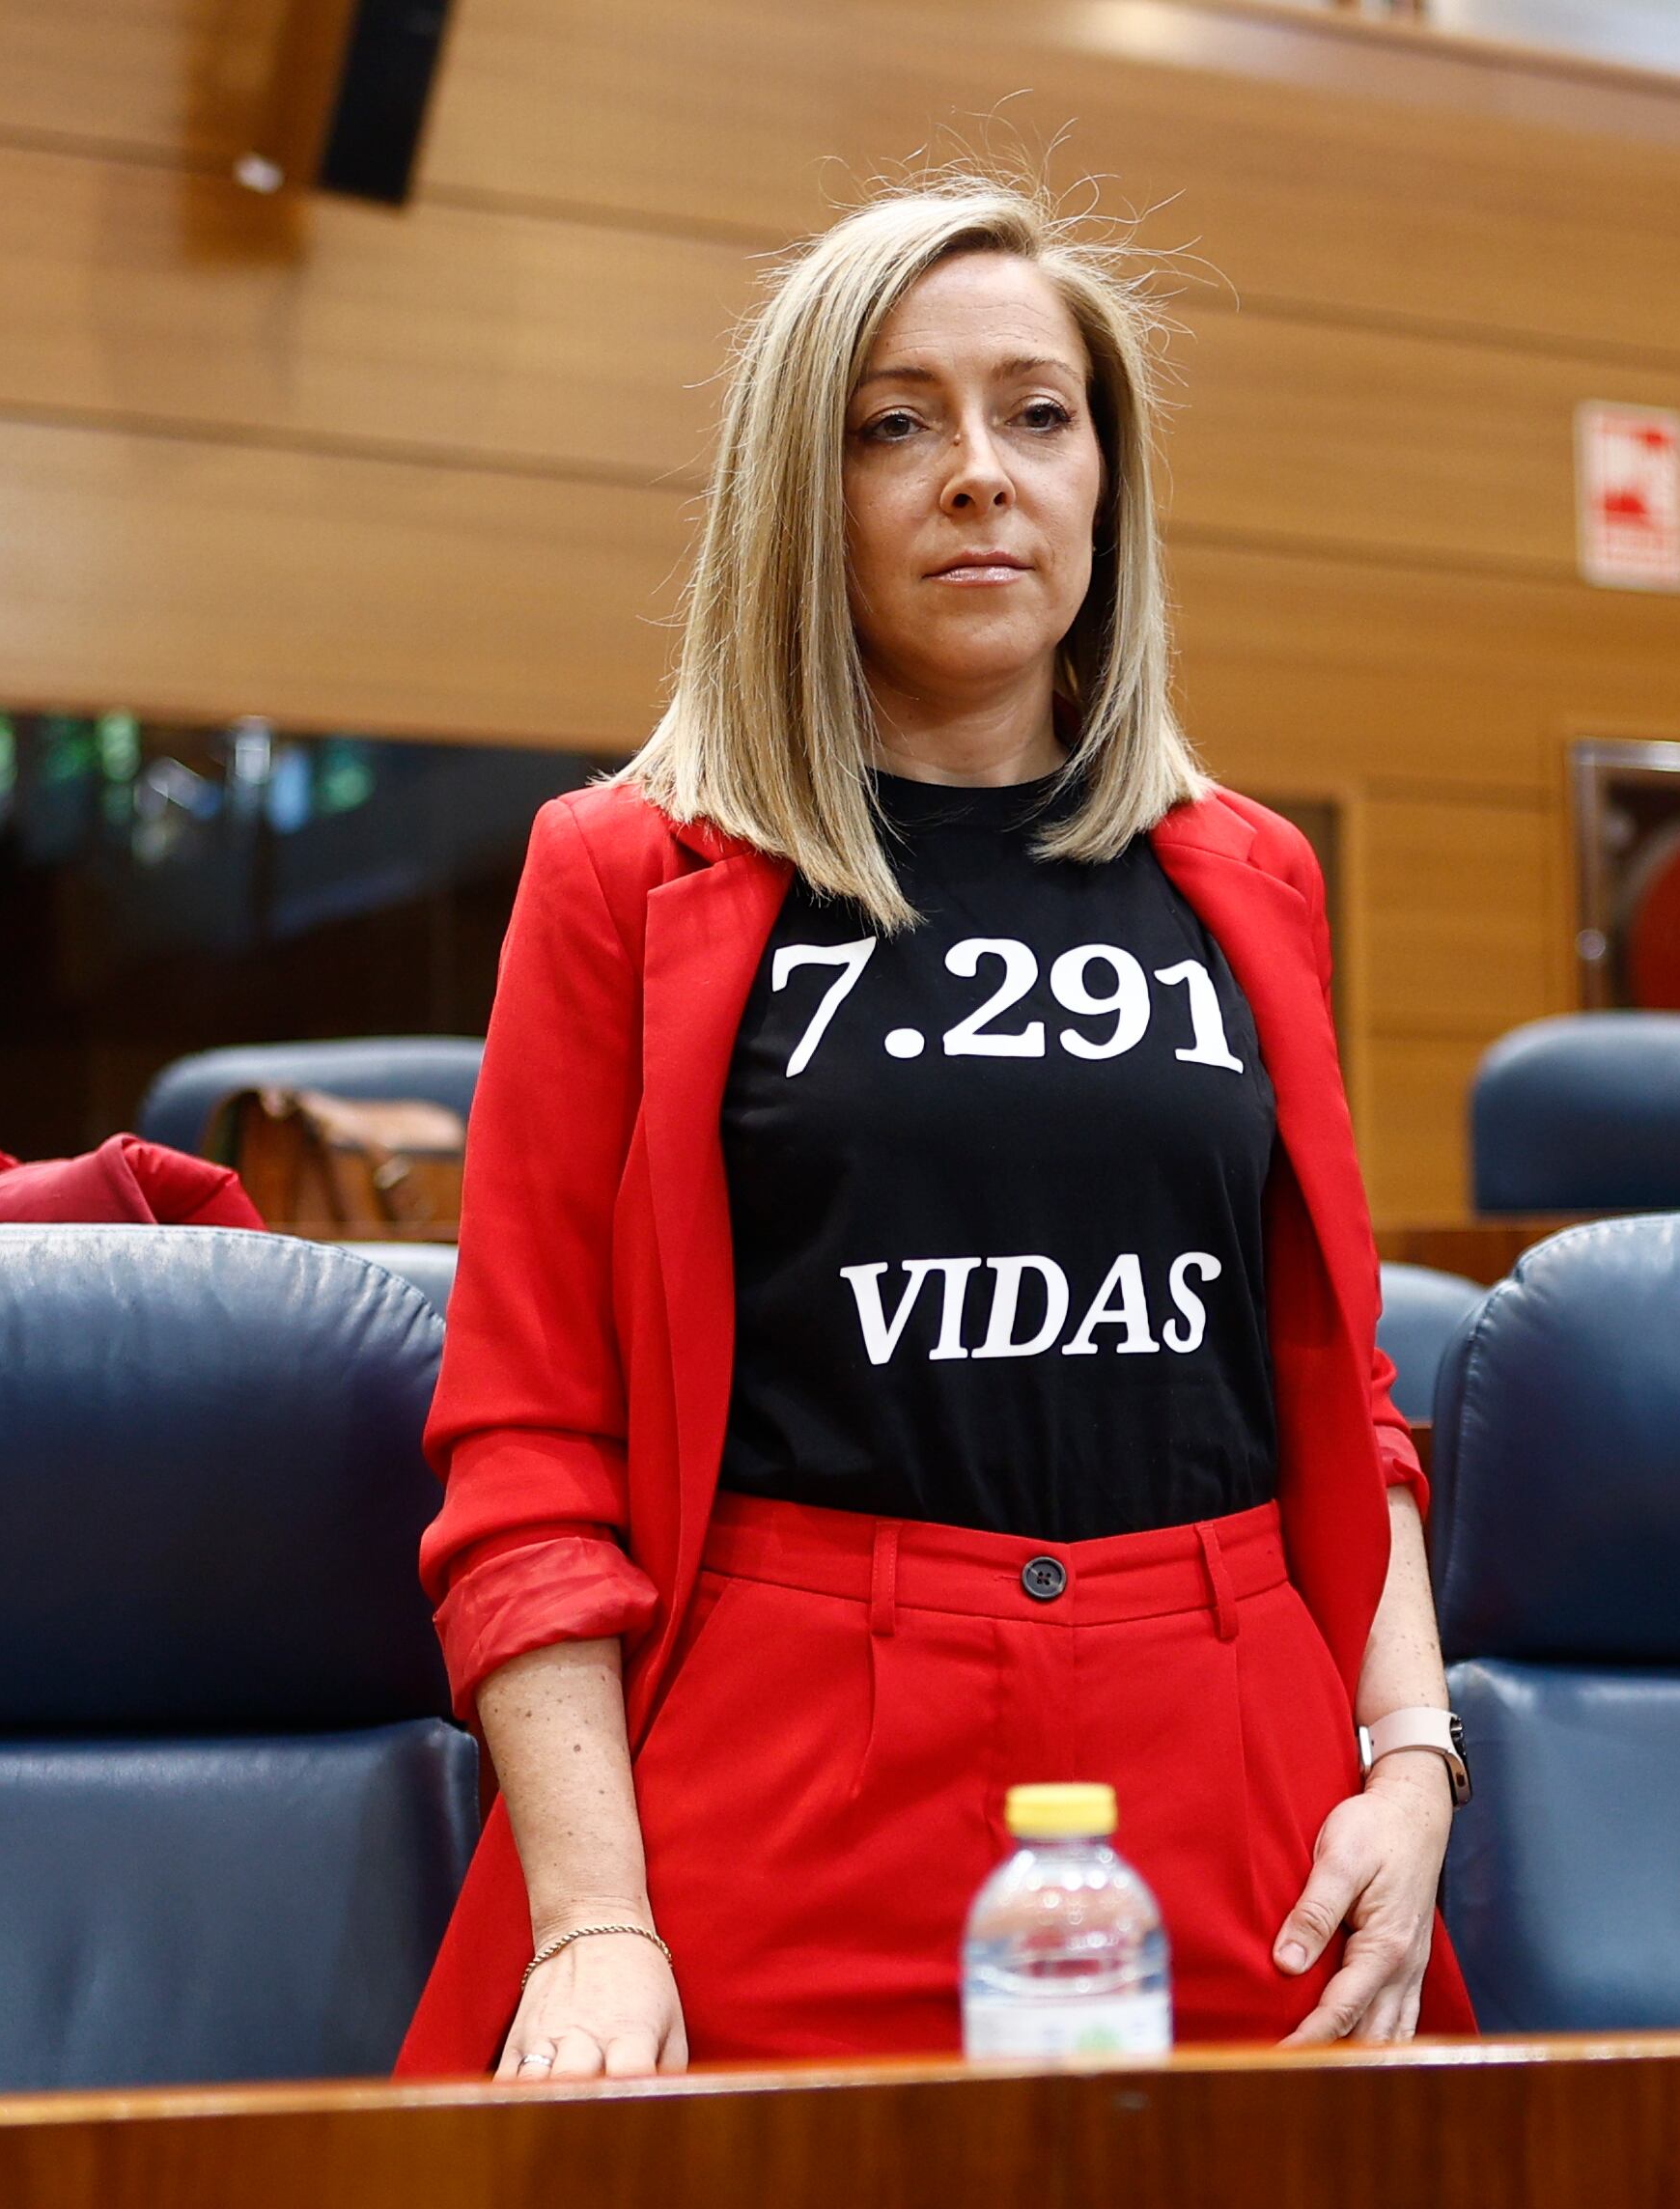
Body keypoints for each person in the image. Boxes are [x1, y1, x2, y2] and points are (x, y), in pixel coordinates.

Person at [397, 178, 1475, 2081]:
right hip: (789, 1760)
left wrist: (1409, 1768)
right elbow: (527, 1454)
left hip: (1230, 1765)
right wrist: (592, 1918)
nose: (978, 472)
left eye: (1034, 412)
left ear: (1106, 481)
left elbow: (1335, 1382)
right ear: (794, 503)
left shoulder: (1251, 879)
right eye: (894, 423)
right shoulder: (624, 875)